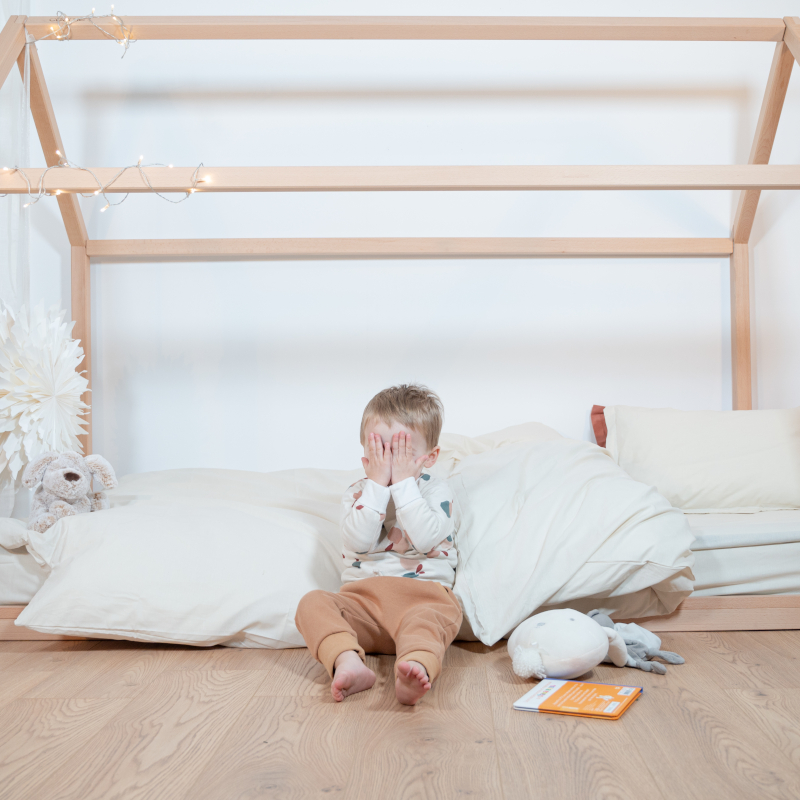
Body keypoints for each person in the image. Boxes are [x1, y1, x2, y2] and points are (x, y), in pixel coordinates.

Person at [295, 384, 461, 705]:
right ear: (365, 455)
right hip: (363, 605)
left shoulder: (436, 492)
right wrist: (376, 488)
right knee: (312, 603)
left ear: (429, 457)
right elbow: (357, 543)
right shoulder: (358, 493)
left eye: (401, 453)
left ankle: (414, 668)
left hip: (422, 599)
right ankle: (347, 661)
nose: (390, 462)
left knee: (429, 622)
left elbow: (426, 540)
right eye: (380, 451)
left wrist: (402, 486)